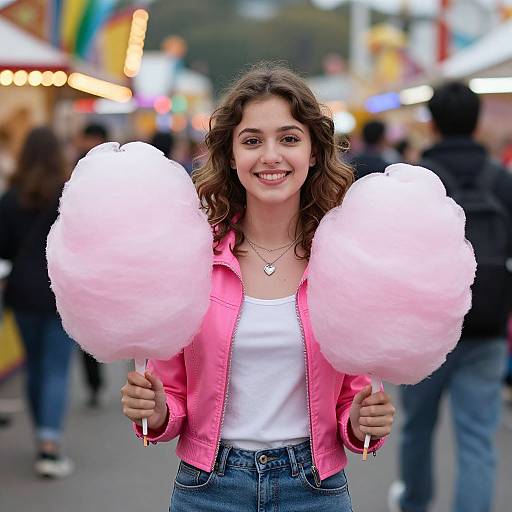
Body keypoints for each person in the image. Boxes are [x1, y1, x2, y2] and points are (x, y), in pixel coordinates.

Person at [120, 63, 395, 512]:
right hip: (208, 488)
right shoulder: (192, 257)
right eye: (252, 141)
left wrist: (363, 423)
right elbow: (170, 395)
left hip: (315, 490)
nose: (271, 155)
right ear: (230, 155)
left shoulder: (344, 258)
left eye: (289, 138)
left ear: (313, 152)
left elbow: (352, 396)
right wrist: (155, 412)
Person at [388, 82, 512, 512]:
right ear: (477, 122)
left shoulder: (415, 181)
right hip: (488, 326)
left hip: (426, 330)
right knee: (477, 437)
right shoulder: (501, 180)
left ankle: (414, 504)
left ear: (433, 123)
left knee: (417, 428)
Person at [0, 127, 75, 478]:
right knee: (57, 368)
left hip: (22, 291)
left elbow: (3, 249)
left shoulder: (11, 197)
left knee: (34, 366)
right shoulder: (68, 196)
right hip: (61, 291)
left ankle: (40, 437)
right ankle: (50, 444)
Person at [75, 122, 108, 407]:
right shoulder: (76, 171)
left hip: (110, 265)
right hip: (89, 267)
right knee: (91, 331)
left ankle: (144, 375)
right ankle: (95, 382)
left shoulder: (115, 172)